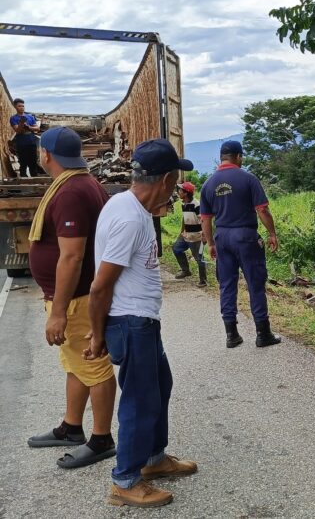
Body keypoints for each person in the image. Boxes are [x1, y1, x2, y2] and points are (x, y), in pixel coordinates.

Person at [86, 139, 197, 507]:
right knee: (140, 400)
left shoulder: (128, 205)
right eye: (175, 178)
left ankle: (152, 459)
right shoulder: (130, 217)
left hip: (141, 319)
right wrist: (97, 332)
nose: (176, 186)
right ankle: (125, 481)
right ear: (166, 179)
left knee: (159, 385)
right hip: (131, 321)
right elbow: (100, 285)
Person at [26, 127, 116, 469]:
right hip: (71, 296)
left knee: (93, 364)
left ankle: (102, 438)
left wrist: (58, 310)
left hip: (77, 299)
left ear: (46, 154)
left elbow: (72, 256)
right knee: (75, 363)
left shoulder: (71, 192)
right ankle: (71, 427)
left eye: (39, 151)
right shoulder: (81, 182)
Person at [200, 140, 281, 349]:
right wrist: (272, 233)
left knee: (227, 284)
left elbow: (205, 219)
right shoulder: (248, 179)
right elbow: (262, 210)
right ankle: (263, 334)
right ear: (239, 156)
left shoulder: (208, 184)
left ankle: (232, 335)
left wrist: (210, 243)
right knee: (255, 283)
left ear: (221, 158)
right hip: (245, 236)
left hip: (222, 237)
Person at [172, 181, 207, 287]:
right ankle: (185, 270)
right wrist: (182, 231)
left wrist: (205, 235)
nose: (178, 192)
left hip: (196, 236)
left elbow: (204, 220)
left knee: (199, 258)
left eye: (180, 190)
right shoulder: (184, 204)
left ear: (186, 193)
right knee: (176, 249)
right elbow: (184, 217)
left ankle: (203, 280)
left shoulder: (196, 205)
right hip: (186, 234)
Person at [9, 98, 41, 177]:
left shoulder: (30, 117)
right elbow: (18, 131)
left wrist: (28, 127)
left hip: (32, 143)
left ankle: (34, 181)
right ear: (15, 107)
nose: (22, 108)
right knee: (23, 164)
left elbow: (37, 129)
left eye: (23, 106)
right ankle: (23, 181)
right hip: (21, 144)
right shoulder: (13, 118)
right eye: (19, 106)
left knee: (33, 163)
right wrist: (21, 123)